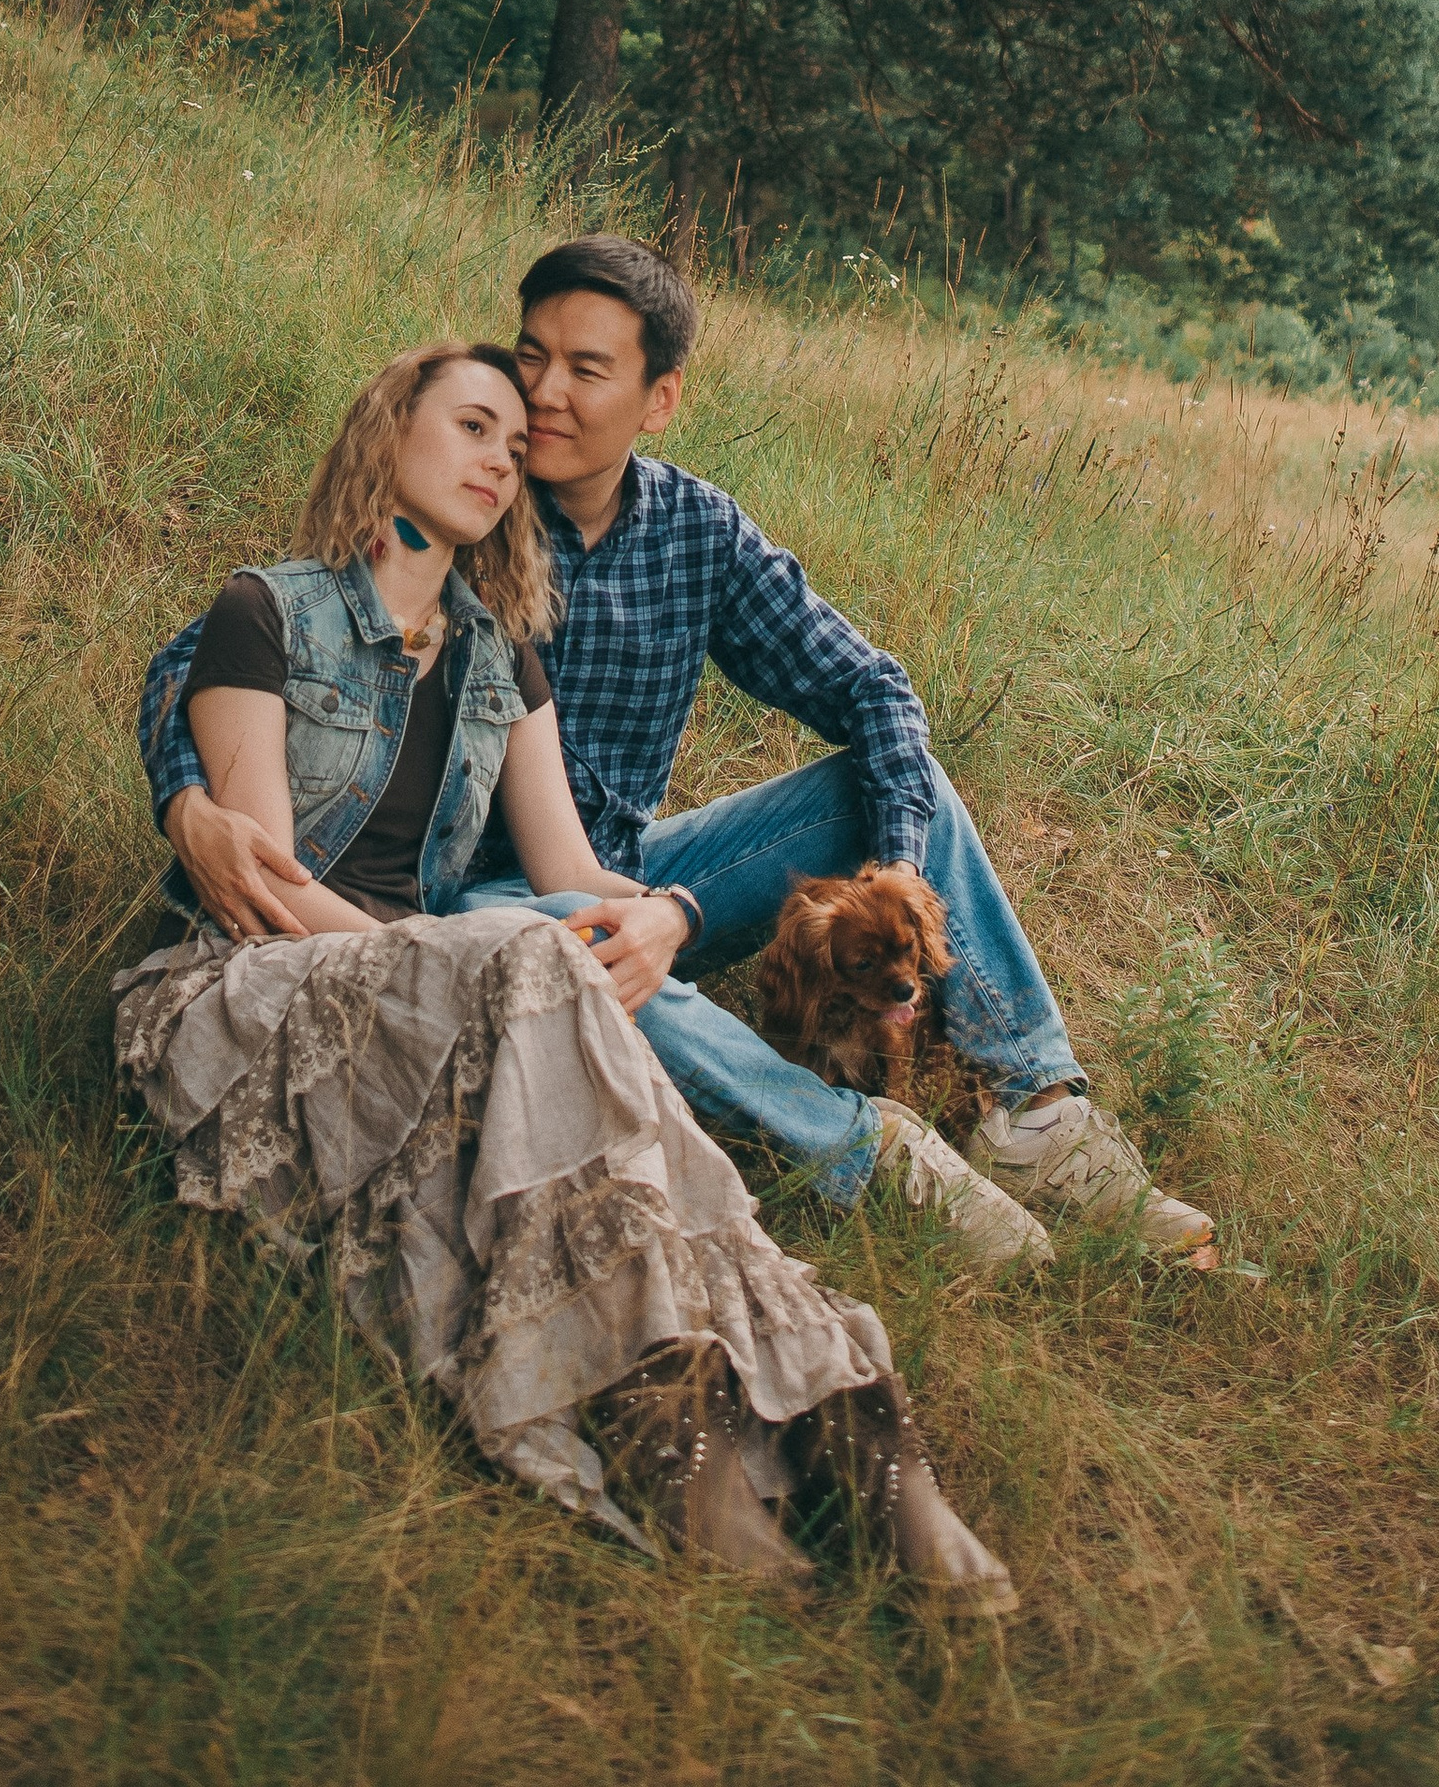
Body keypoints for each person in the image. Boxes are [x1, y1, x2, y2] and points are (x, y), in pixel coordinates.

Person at [116, 339, 1015, 1602]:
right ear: (388, 436)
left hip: (446, 983)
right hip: (257, 980)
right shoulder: (268, 611)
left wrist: (657, 920)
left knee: (568, 959)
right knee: (531, 955)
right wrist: (477, 956)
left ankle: (849, 1421)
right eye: (473, 426)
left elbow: (567, 866)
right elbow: (260, 890)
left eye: (509, 441)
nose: (502, 455)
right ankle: (672, 1429)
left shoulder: (498, 654)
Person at [144, 241, 1215, 1272]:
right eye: (531, 355)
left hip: (614, 866)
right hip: (464, 901)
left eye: (585, 368)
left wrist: (869, 874)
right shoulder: (470, 495)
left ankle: (1037, 1113)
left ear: (657, 400)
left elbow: (871, 689)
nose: (544, 394)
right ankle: (856, 1148)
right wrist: (188, 803)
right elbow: (220, 651)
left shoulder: (694, 529)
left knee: (892, 776)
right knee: (573, 937)